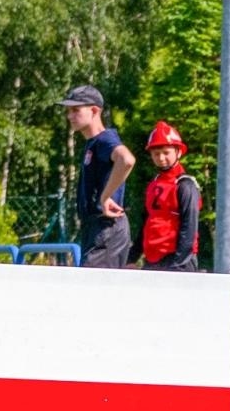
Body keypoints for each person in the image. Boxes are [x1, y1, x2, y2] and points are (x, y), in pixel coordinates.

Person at [60, 84, 135, 269]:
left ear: (94, 110)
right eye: (68, 111)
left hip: (108, 227)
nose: (70, 116)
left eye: (76, 110)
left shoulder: (105, 139)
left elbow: (126, 160)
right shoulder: (92, 144)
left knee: (92, 291)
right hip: (96, 227)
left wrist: (105, 197)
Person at [139, 121, 201, 272]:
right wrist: (132, 257)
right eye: (156, 153)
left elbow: (189, 226)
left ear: (178, 152)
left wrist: (178, 265)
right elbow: (145, 223)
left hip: (178, 261)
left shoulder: (185, 185)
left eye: (166, 153)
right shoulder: (153, 184)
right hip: (153, 259)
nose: (161, 158)